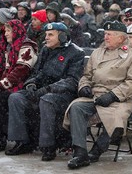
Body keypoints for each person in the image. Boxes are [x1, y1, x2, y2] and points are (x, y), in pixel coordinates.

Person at [63, 20, 132, 169]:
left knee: (116, 118)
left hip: (120, 99)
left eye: (109, 35)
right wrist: (84, 86)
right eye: (105, 34)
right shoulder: (97, 53)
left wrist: (113, 96)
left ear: (121, 38)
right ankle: (80, 153)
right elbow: (86, 75)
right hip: (95, 95)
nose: (105, 37)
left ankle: (97, 150)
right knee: (76, 108)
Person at [5, 22, 85, 162]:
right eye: (46, 34)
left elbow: (72, 81)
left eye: (50, 35)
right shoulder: (46, 50)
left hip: (63, 94)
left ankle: (49, 146)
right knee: (16, 97)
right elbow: (37, 72)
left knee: (46, 100)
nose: (46, 38)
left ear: (62, 36)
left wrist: (49, 88)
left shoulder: (76, 53)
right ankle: (22, 141)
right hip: (42, 90)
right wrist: (32, 83)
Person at [0, 19, 38, 152]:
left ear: (17, 31)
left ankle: (0, 137)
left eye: (9, 30)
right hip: (5, 84)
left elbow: (21, 71)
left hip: (21, 85)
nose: (5, 34)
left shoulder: (27, 46)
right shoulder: (4, 46)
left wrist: (0, 85)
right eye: (5, 31)